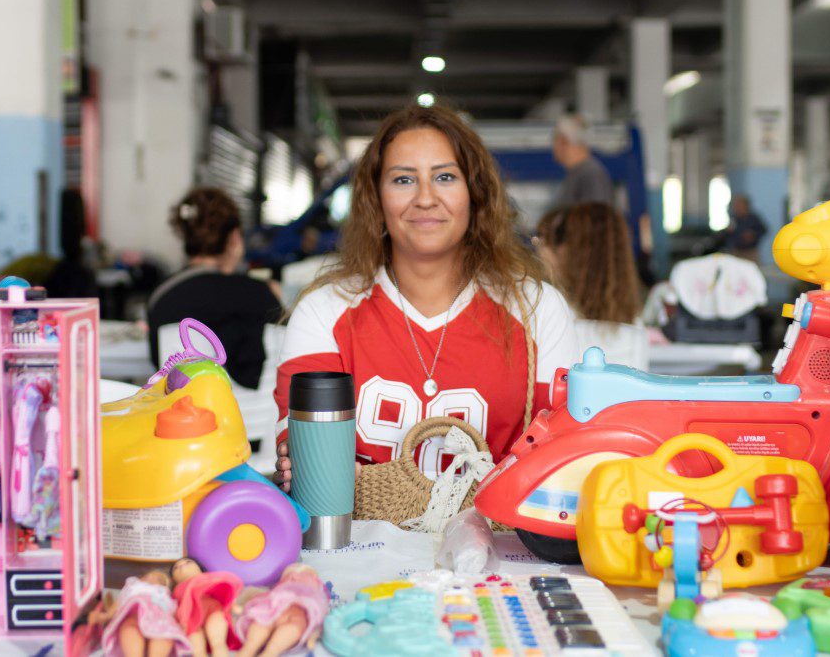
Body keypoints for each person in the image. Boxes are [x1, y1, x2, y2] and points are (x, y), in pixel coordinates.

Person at [272, 104, 581, 491]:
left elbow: (560, 454)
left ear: (475, 193)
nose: (425, 198)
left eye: (445, 177)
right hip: (354, 546)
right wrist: (305, 464)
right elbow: (305, 461)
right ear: (375, 198)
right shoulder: (324, 309)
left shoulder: (536, 307)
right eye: (403, 180)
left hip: (498, 547)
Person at [147, 188, 282, 389]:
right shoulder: (262, 292)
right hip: (260, 418)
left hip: (184, 415)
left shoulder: (161, 296)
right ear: (235, 238)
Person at [536, 203, 646, 369]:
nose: (541, 249)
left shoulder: (550, 317)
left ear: (573, 251)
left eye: (547, 240)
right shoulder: (636, 328)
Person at [552, 114, 614, 209]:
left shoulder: (591, 173)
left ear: (564, 141)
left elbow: (596, 217)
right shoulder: (577, 173)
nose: (553, 147)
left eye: (555, 140)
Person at [721, 195, 768, 260]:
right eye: (735, 205)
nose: (737, 207)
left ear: (746, 206)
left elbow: (764, 230)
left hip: (750, 253)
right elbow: (726, 235)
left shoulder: (753, 218)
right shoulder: (734, 218)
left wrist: (753, 234)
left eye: (739, 205)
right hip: (736, 252)